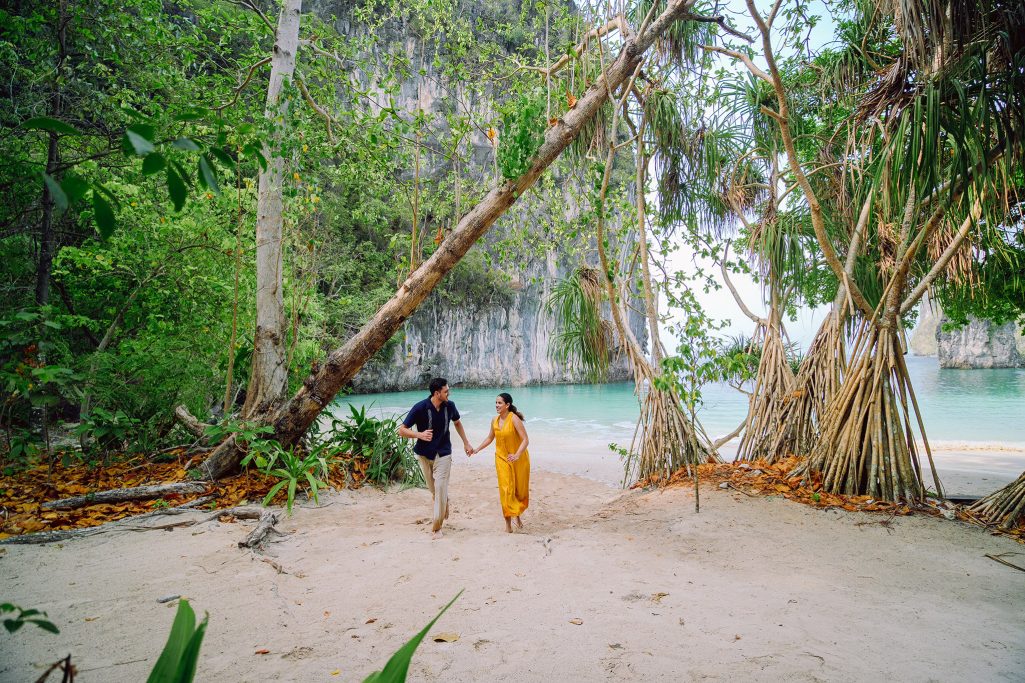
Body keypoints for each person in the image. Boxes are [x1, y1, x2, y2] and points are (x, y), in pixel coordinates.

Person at [398, 377, 473, 539]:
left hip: (444, 453)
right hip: (424, 454)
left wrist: (466, 443)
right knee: (434, 491)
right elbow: (402, 430)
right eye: (446, 391)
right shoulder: (419, 408)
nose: (449, 393)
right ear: (436, 393)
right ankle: (444, 500)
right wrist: (419, 434)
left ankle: (437, 527)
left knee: (439, 488)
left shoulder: (450, 406)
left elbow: (458, 423)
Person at [472, 392, 530, 533]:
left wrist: (516, 455)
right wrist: (477, 449)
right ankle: (508, 525)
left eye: (500, 403)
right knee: (506, 490)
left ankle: (517, 516)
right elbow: (490, 438)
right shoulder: (494, 420)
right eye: (496, 403)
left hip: (518, 459)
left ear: (507, 405)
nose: (497, 405)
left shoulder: (514, 419)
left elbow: (525, 440)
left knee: (518, 490)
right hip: (501, 459)